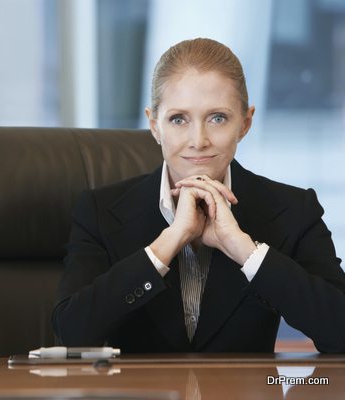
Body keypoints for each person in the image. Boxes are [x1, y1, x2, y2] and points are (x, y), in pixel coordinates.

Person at [51, 38, 345, 353]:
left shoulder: (293, 210)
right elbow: (72, 333)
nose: (198, 140)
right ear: (154, 125)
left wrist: (246, 251)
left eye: (217, 118)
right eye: (179, 119)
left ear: (245, 123)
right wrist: (167, 244)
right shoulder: (100, 210)